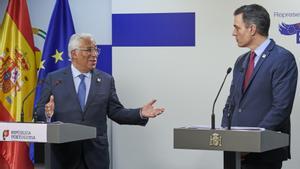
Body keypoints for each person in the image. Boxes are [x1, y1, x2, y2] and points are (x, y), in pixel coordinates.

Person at [36, 33, 165, 169]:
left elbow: (116, 112)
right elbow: (40, 111)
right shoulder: (54, 79)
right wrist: (47, 114)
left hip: (96, 156)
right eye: (89, 50)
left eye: (96, 50)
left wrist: (140, 113)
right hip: (64, 156)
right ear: (74, 54)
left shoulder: (106, 80)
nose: (94, 54)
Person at [221, 4, 298, 169]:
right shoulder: (241, 61)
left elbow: (281, 108)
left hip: (264, 153)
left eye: (237, 27)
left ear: (252, 29)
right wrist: (224, 134)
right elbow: (231, 102)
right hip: (233, 151)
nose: (234, 33)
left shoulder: (282, 59)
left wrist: (251, 142)